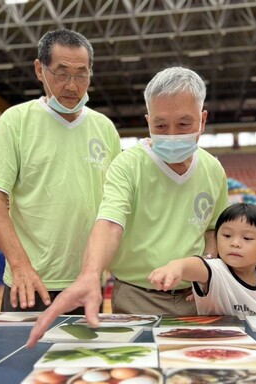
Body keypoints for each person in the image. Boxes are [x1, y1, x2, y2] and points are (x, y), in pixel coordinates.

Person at [27, 66, 228, 347]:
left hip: (195, 297)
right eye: (160, 125)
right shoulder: (128, 164)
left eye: (184, 124)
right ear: (148, 121)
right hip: (136, 296)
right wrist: (90, 275)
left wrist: (206, 268)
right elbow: (110, 223)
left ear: (203, 119)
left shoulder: (213, 169)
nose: (171, 135)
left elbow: (213, 229)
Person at [0, 29, 121, 312]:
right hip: (29, 281)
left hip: (86, 282)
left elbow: (115, 204)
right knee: (20, 356)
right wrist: (20, 266)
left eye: (81, 75)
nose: (72, 85)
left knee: (81, 356)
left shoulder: (105, 128)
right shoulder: (15, 121)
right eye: (61, 73)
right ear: (40, 70)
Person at [147, 203, 256, 318]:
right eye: (227, 236)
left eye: (247, 238)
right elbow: (198, 266)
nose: (234, 243)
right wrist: (176, 266)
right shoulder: (217, 271)